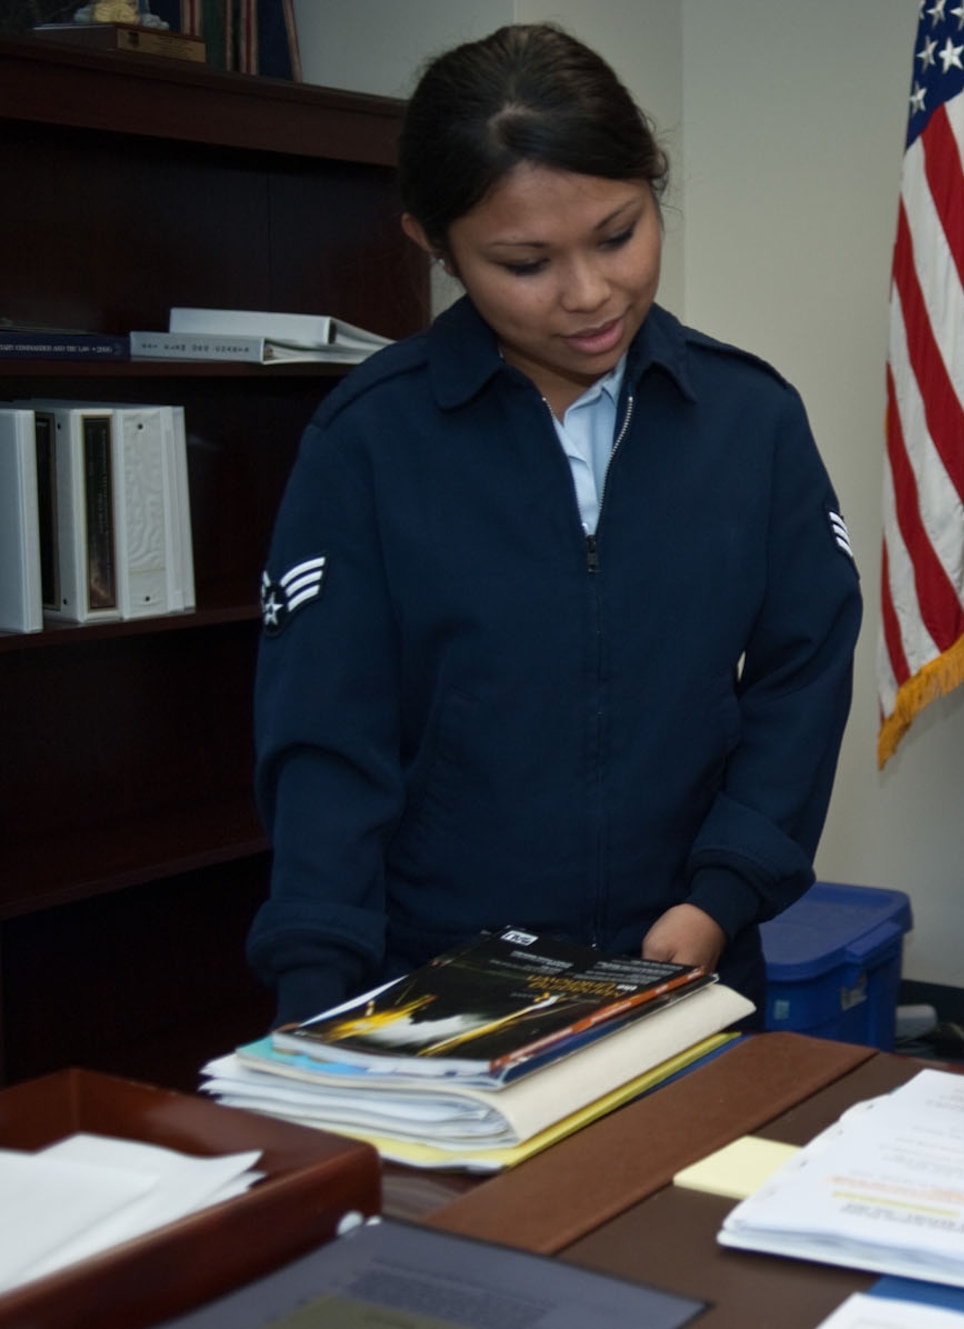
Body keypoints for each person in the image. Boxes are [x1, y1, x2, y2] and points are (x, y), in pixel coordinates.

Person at [247, 23, 862, 1028]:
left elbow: (801, 677)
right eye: (525, 263)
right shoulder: (368, 442)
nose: (588, 295)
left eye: (618, 235)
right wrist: (315, 1003)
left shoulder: (749, 421)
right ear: (433, 244)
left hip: (686, 973)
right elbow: (324, 746)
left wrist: (720, 896)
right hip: (435, 988)